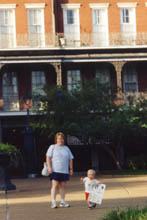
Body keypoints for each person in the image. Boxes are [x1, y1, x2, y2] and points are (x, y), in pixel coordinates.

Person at [46, 132, 74, 208]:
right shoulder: (52, 147)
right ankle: (53, 202)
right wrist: (49, 167)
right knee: (54, 185)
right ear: (56, 139)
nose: (60, 140)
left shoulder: (66, 148)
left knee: (63, 186)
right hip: (55, 170)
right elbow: (48, 158)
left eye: (62, 138)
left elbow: (70, 159)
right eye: (59, 138)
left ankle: (62, 201)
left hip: (64, 170)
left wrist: (71, 169)